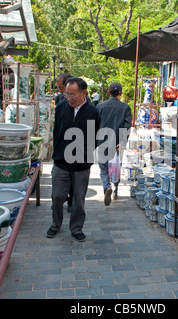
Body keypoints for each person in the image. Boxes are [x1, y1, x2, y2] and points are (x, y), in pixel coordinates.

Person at [47, 77, 101, 242]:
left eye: (72, 94)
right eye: (66, 94)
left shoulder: (93, 112)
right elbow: (56, 131)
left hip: (81, 165)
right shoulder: (62, 107)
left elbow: (96, 138)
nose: (68, 98)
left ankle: (76, 228)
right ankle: (55, 224)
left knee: (78, 199)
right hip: (61, 162)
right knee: (57, 196)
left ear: (83, 93)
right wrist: (57, 153)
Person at [96, 82, 132, 205]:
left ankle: (106, 187)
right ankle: (115, 191)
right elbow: (127, 126)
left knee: (104, 168)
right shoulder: (125, 108)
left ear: (108, 92)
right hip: (117, 143)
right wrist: (122, 142)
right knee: (116, 167)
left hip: (102, 142)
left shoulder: (100, 106)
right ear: (120, 93)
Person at [54, 73, 74, 210]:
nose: (59, 89)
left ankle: (72, 200)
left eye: (60, 87)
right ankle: (62, 198)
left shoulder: (82, 99)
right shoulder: (59, 99)